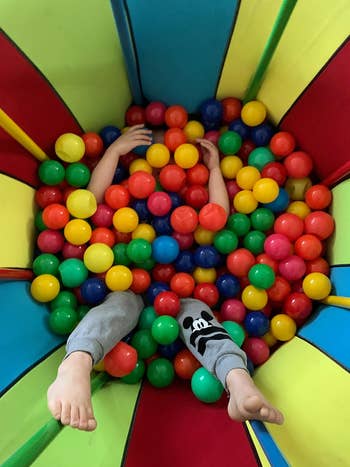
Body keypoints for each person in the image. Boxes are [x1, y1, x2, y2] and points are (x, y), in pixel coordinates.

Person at [47, 125, 284, 431]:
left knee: (199, 318)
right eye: (154, 150)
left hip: (183, 290)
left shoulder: (193, 206)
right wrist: (115, 150)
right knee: (117, 308)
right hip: (125, 281)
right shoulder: (124, 201)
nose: (165, 163)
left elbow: (219, 213)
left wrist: (213, 169)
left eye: (176, 155)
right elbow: (90, 198)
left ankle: (236, 378)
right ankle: (77, 363)